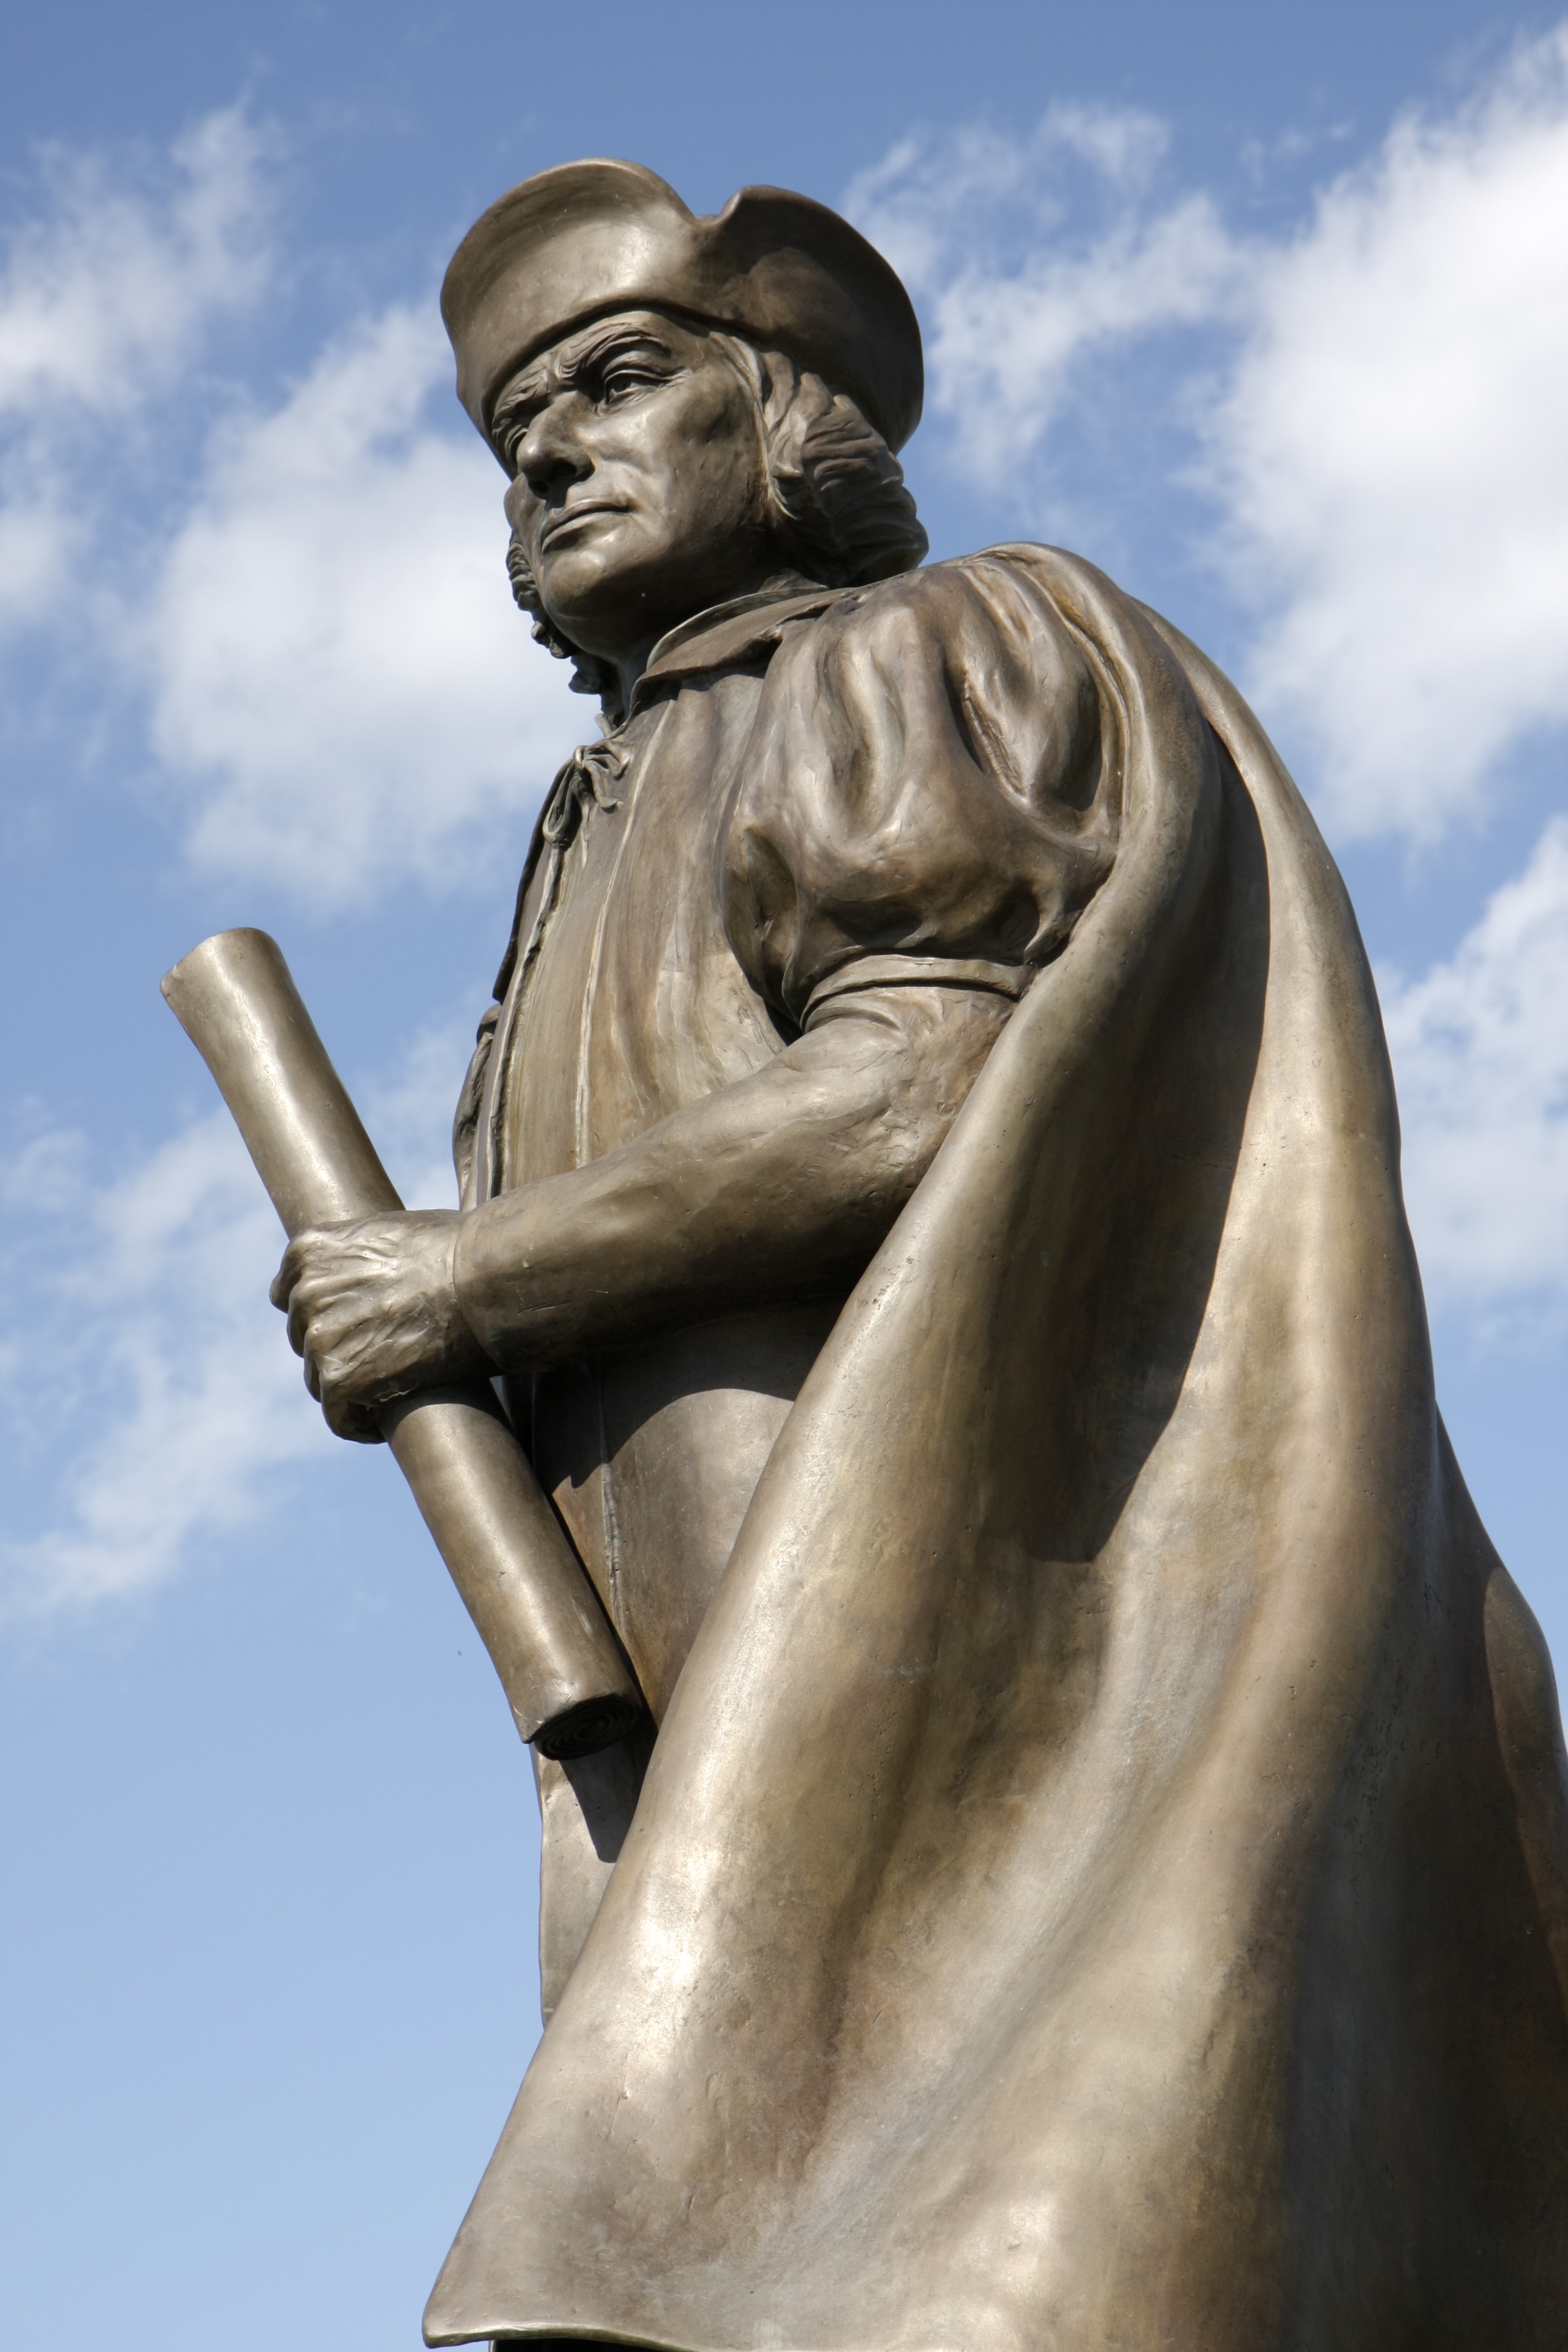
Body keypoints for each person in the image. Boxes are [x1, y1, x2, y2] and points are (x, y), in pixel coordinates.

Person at [270, 161, 1568, 2352]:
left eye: (616, 383)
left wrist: (470, 1278)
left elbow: (929, 1079)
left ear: (786, 424)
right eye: (516, 443)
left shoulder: (906, 656)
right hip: (729, 1735)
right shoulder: (606, 815)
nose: (554, 453)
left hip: (972, 1686)